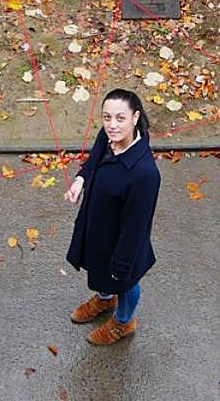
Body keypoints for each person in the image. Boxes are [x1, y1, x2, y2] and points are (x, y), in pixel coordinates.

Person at [65, 89, 161, 345]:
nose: (112, 125)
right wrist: (81, 179)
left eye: (120, 118)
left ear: (135, 117)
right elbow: (95, 156)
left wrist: (122, 266)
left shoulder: (145, 174)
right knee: (100, 271)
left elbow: (135, 229)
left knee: (125, 281)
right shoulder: (108, 136)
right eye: (106, 117)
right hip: (98, 228)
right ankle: (106, 299)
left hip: (123, 243)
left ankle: (123, 322)